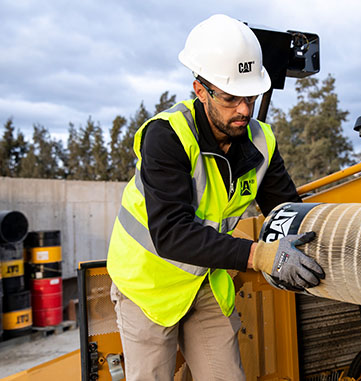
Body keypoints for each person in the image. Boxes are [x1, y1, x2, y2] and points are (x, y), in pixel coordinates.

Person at [106, 14, 325, 381]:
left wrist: (332, 234)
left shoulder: (260, 141)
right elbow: (171, 233)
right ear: (200, 90)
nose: (243, 109)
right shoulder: (167, 137)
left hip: (204, 280)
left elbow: (288, 210)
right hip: (149, 286)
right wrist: (260, 255)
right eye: (230, 98)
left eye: (251, 97)